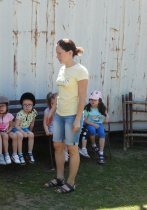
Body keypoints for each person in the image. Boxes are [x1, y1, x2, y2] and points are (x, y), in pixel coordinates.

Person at [44, 39, 88, 193]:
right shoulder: (62, 69)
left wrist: (77, 119)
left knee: (72, 149)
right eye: (56, 53)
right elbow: (60, 95)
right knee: (57, 145)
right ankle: (59, 178)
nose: (57, 56)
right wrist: (52, 111)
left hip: (72, 116)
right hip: (59, 115)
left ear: (70, 53)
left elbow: (82, 98)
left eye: (59, 53)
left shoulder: (80, 71)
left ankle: (70, 183)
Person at [0, 95, 18, 165]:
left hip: (7, 131)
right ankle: (6, 154)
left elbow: (11, 126)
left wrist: (8, 131)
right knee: (4, 135)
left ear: (7, 107)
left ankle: (14, 154)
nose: (1, 108)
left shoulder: (9, 116)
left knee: (14, 136)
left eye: (3, 106)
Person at [83, 90, 110, 163]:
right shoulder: (87, 108)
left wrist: (107, 116)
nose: (92, 101)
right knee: (92, 130)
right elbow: (84, 120)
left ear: (99, 100)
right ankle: (93, 145)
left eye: (94, 100)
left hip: (98, 124)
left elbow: (106, 114)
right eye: (91, 99)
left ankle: (101, 152)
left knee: (102, 133)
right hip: (89, 124)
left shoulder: (101, 108)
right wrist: (93, 124)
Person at [12, 92, 37, 165]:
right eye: (25, 105)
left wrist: (30, 131)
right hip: (17, 129)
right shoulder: (20, 114)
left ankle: (29, 153)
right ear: (22, 105)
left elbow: (32, 122)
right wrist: (23, 132)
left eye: (29, 105)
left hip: (25, 129)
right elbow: (16, 125)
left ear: (33, 105)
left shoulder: (34, 112)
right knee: (20, 135)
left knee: (31, 135)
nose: (27, 106)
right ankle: (20, 154)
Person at [44, 92, 70, 162]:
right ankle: (60, 152)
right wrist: (47, 131)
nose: (55, 106)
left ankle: (65, 151)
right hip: (53, 127)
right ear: (50, 103)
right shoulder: (47, 111)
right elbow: (45, 123)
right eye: (52, 104)